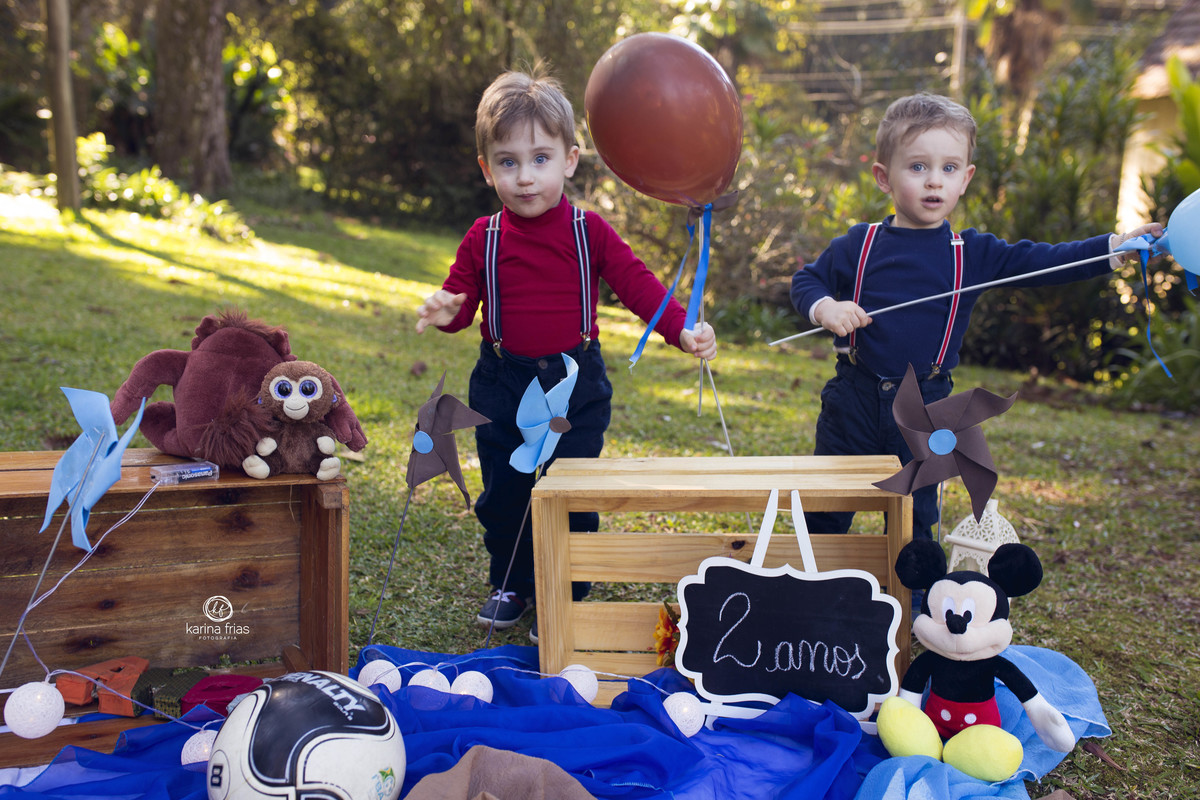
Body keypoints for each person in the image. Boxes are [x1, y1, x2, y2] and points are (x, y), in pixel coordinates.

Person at [417, 66, 717, 639]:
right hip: (502, 384)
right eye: (508, 162)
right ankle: (510, 580)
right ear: (487, 169)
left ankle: (566, 588)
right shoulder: (484, 237)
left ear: (570, 160)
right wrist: (444, 308)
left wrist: (680, 329)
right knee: (506, 492)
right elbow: (460, 308)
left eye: (540, 159)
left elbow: (639, 286)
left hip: (574, 386)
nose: (525, 177)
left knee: (569, 491)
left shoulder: (588, 232)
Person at [791, 92, 1162, 540]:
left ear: (965, 178)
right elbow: (806, 281)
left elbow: (1044, 261)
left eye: (948, 168)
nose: (934, 181)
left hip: (927, 406)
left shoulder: (973, 253)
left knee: (914, 520)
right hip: (853, 399)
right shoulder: (859, 244)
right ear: (883, 177)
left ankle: (915, 583)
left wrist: (1114, 249)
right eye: (917, 167)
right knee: (826, 510)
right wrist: (826, 307)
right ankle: (813, 577)